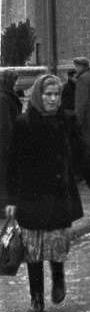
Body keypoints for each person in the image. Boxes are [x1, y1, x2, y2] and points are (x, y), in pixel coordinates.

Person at [5, 74, 90, 312]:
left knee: (57, 244)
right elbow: (13, 163)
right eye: (48, 94)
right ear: (39, 96)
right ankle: (36, 298)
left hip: (59, 192)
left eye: (57, 94)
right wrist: (11, 200)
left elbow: (81, 152)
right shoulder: (23, 123)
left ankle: (58, 278)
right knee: (32, 249)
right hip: (31, 194)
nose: (53, 99)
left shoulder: (68, 120)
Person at [73, 57, 90, 176]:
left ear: (81, 66)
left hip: (87, 114)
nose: (75, 68)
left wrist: (77, 120)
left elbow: (81, 101)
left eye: (76, 66)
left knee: (85, 143)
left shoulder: (83, 79)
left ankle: (85, 174)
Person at [0, 70, 22, 217]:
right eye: (15, 80)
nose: (18, 83)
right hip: (6, 144)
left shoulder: (7, 95)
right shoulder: (3, 98)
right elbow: (5, 126)